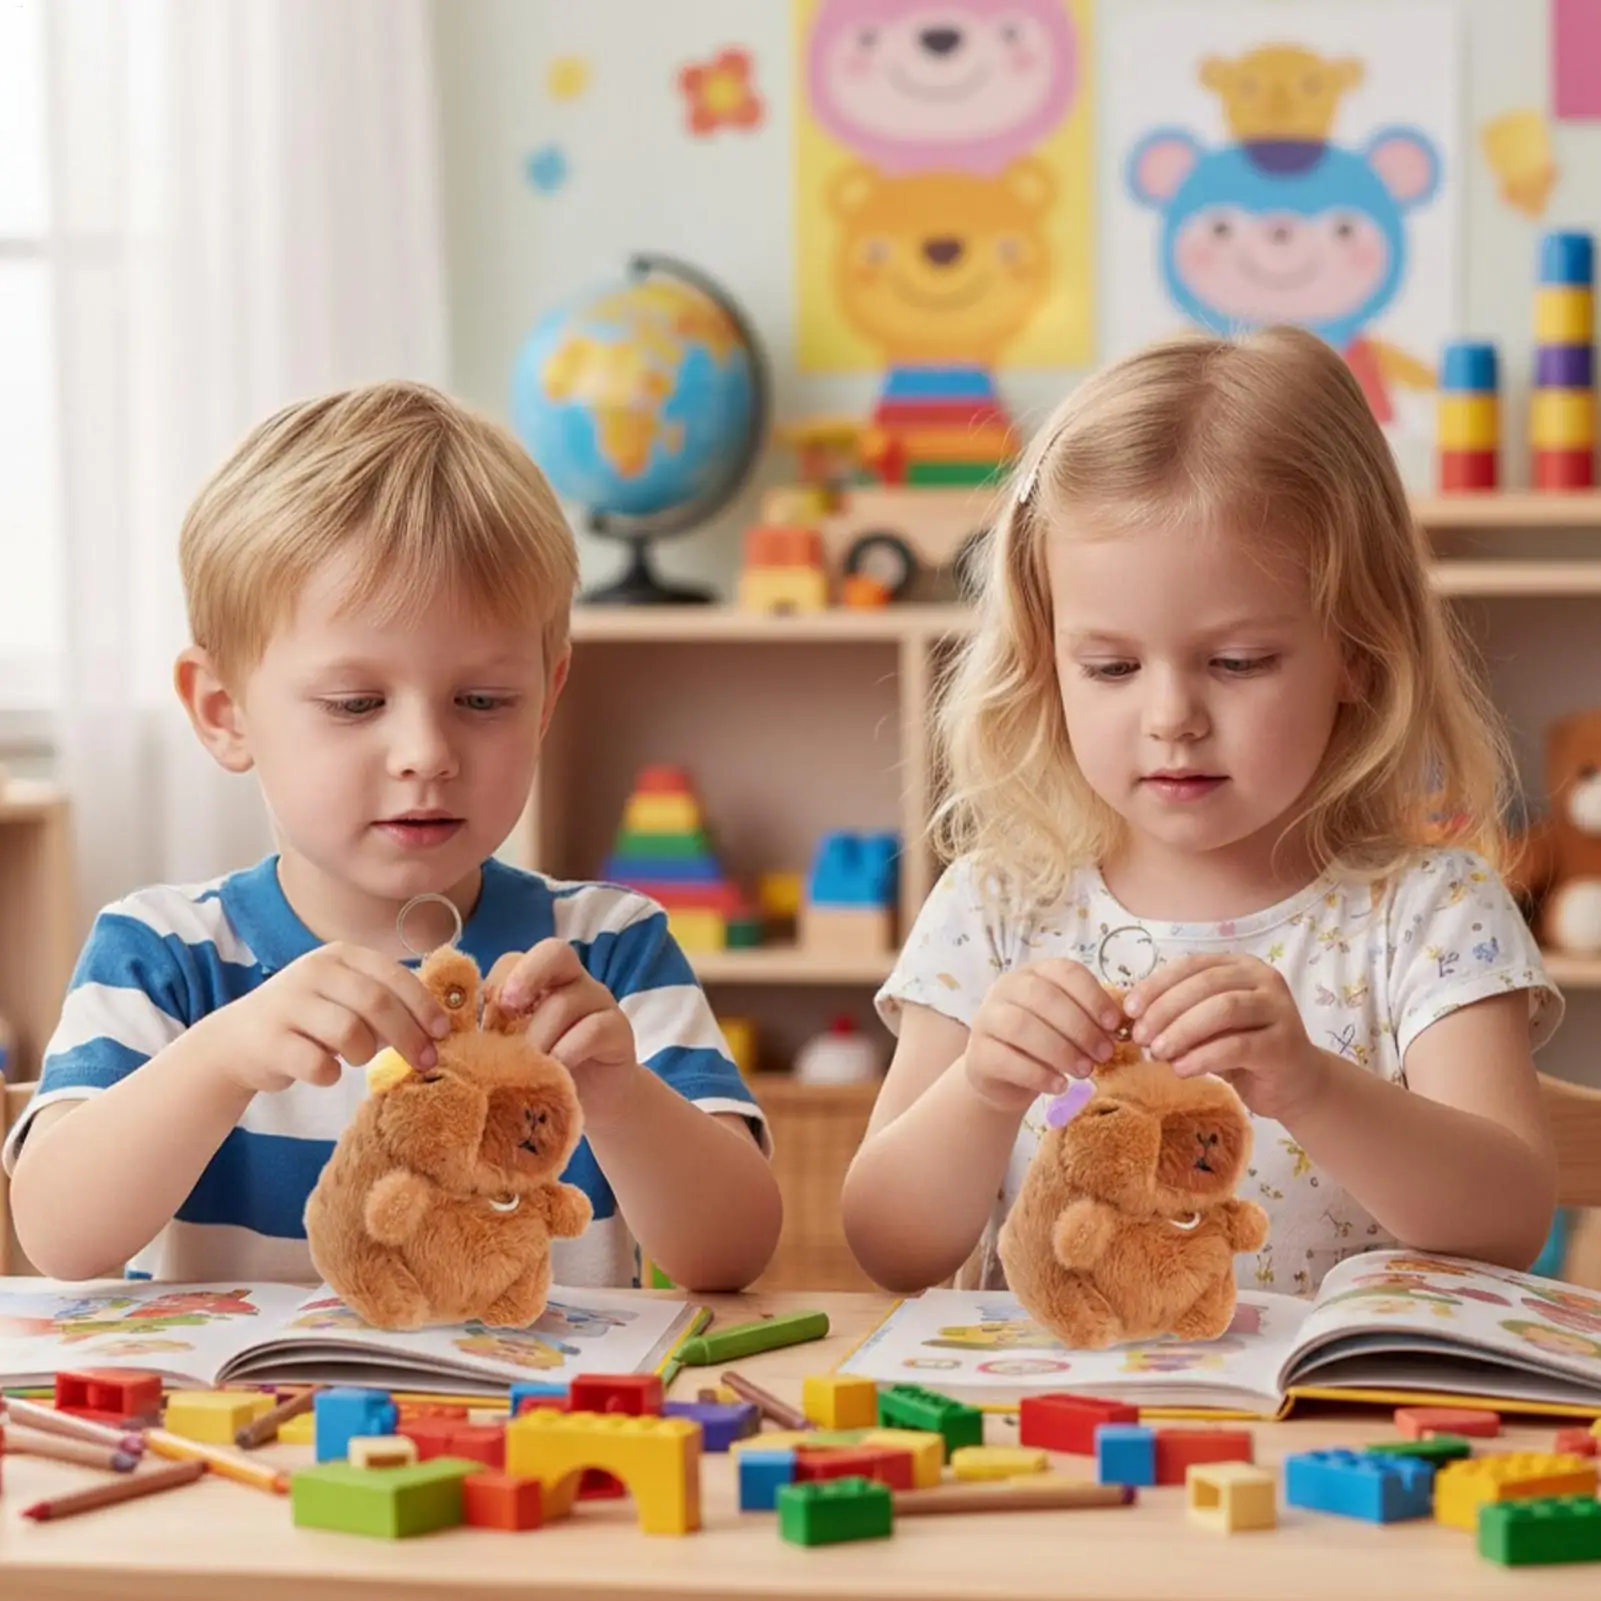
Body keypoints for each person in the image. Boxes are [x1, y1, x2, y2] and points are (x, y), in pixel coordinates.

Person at [6, 381, 781, 1291]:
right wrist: (220, 1056)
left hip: (534, 1429)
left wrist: (620, 1099)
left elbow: (732, 1253)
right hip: (240, 1433)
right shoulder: (165, 953)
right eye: (355, 704)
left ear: (546, 697)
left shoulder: (605, 950)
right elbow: (57, 1236)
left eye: (483, 701)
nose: (426, 753)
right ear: (224, 712)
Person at [842, 326, 1561, 1298]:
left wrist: (1310, 1083)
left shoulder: (1426, 911)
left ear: (1356, 645)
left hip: (1320, 1433)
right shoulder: (995, 906)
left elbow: (1506, 1223)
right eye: (1108, 666)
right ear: (1045, 663)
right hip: (1053, 1438)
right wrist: (980, 1086)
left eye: (1235, 663)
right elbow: (887, 1246)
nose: (1170, 716)